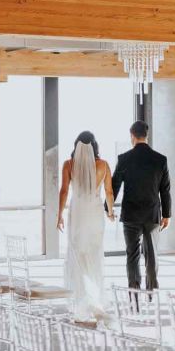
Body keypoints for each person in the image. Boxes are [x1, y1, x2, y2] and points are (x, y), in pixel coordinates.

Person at [56, 130, 115, 322]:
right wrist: (110, 211)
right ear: (94, 146)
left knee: (77, 251)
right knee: (94, 251)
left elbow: (64, 191)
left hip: (78, 211)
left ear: (76, 146)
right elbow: (109, 191)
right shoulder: (103, 165)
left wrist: (59, 215)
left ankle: (83, 297)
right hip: (95, 211)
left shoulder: (69, 164)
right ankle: (94, 296)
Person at [111, 120, 170, 290]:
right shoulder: (160, 160)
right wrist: (167, 214)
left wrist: (108, 208)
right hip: (152, 214)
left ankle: (134, 293)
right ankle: (152, 292)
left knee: (133, 255)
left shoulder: (124, 159)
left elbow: (115, 185)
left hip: (130, 214)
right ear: (146, 136)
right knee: (152, 255)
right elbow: (165, 190)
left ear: (132, 136)